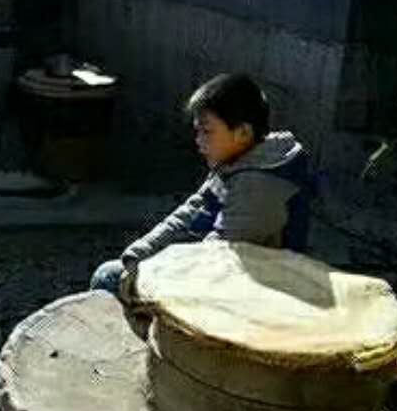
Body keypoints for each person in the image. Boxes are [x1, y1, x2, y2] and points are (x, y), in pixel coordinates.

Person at [91, 73, 315, 296]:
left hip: (253, 295)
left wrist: (155, 271)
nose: (198, 140)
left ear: (243, 133)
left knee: (109, 280)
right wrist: (140, 253)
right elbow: (190, 212)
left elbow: (216, 255)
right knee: (117, 273)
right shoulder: (237, 162)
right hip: (218, 273)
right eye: (197, 130)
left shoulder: (260, 186)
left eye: (207, 131)